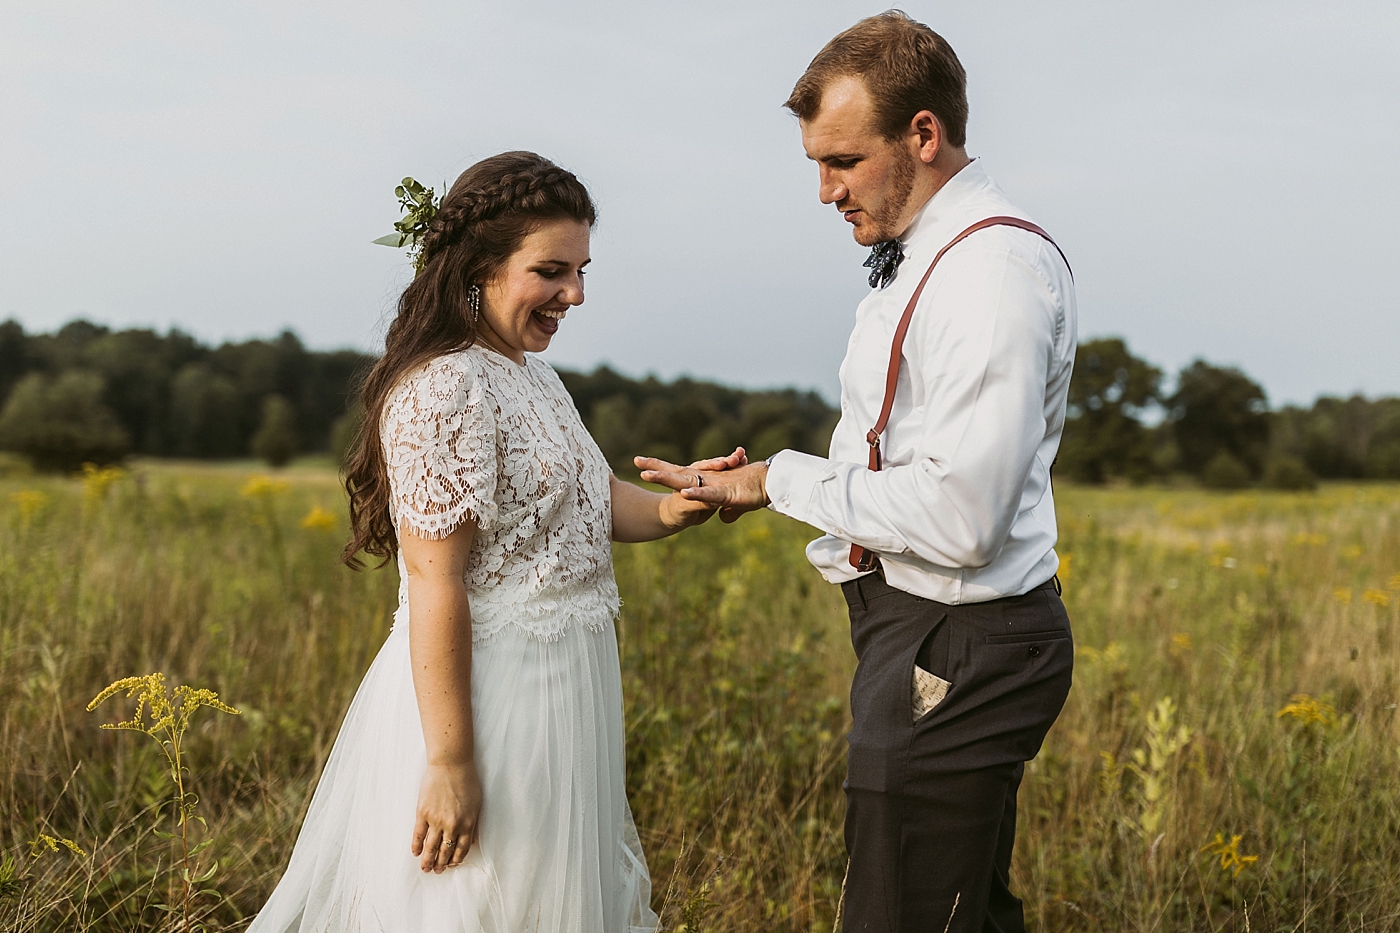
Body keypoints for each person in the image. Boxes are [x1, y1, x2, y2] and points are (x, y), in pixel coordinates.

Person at [638, 13, 1077, 933]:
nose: (826, 190)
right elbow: (900, 449)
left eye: (841, 160)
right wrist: (761, 478)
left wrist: (780, 480)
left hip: (959, 639)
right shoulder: (924, 256)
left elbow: (963, 520)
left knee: (900, 916)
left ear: (924, 134)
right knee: (951, 910)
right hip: (921, 632)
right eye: (816, 165)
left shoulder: (989, 273)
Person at [249, 151, 738, 933]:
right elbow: (435, 583)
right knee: (474, 899)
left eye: (580, 269)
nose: (575, 293)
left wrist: (678, 508)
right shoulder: (444, 388)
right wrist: (449, 763)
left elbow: (592, 499)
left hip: (570, 685)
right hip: (488, 699)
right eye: (552, 270)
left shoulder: (535, 375)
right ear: (479, 267)